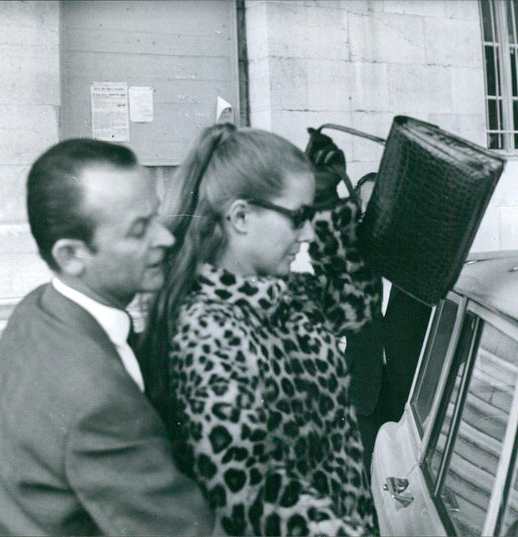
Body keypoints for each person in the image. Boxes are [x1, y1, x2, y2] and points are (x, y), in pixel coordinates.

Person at [143, 124, 381, 535]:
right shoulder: (208, 330)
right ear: (240, 217)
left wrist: (326, 204)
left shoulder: (285, 296)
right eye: (299, 217)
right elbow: (247, 493)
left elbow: (355, 305)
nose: (308, 233)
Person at [0, 139, 214, 535]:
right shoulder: (97, 400)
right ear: (72, 255)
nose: (166, 238)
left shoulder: (38, 309)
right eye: (140, 229)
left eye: (156, 217)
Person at [344, 173, 431, 474]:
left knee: (407, 477)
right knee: (365, 477)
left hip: (409, 394)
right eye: (367, 211)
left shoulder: (419, 261)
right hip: (364, 391)